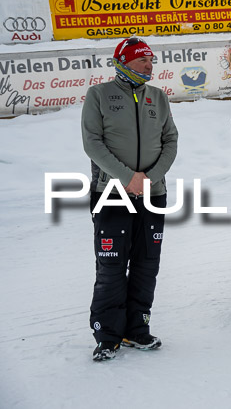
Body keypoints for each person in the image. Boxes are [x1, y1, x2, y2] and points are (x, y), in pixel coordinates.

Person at [82, 37, 179, 361]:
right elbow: (93, 143)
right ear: (123, 62)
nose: (150, 66)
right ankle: (107, 335)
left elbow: (170, 140)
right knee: (111, 267)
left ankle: (137, 329)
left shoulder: (158, 97)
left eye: (151, 60)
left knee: (146, 264)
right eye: (142, 60)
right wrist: (128, 177)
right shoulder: (99, 95)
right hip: (111, 193)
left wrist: (149, 179)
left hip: (153, 194)